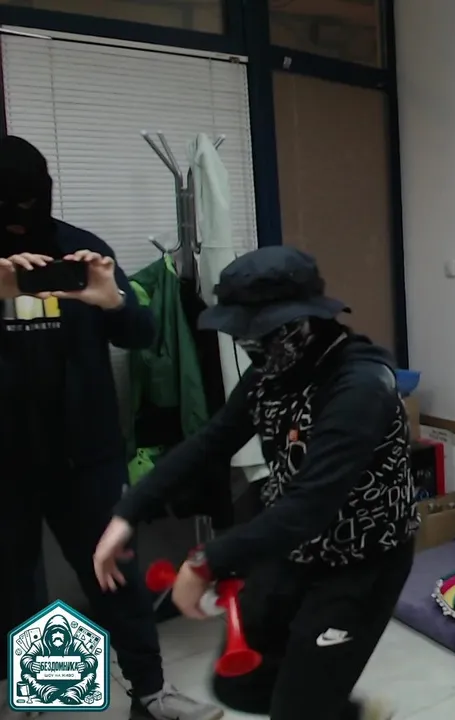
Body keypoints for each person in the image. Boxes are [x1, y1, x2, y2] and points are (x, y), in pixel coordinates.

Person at [93, 246, 419, 720]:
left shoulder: (361, 386)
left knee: (298, 709)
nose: (250, 346)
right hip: (289, 547)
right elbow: (213, 440)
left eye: (260, 333)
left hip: (360, 562)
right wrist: (128, 513)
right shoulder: (273, 370)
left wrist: (205, 562)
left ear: (304, 320)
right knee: (238, 682)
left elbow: (310, 505)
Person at [0, 135, 223, 720]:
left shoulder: (80, 249)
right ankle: (34, 699)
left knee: (115, 577)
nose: (20, 219)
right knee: (15, 585)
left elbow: (144, 334)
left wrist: (113, 302)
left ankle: (150, 694)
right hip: (6, 464)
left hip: (87, 458)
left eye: (30, 203)